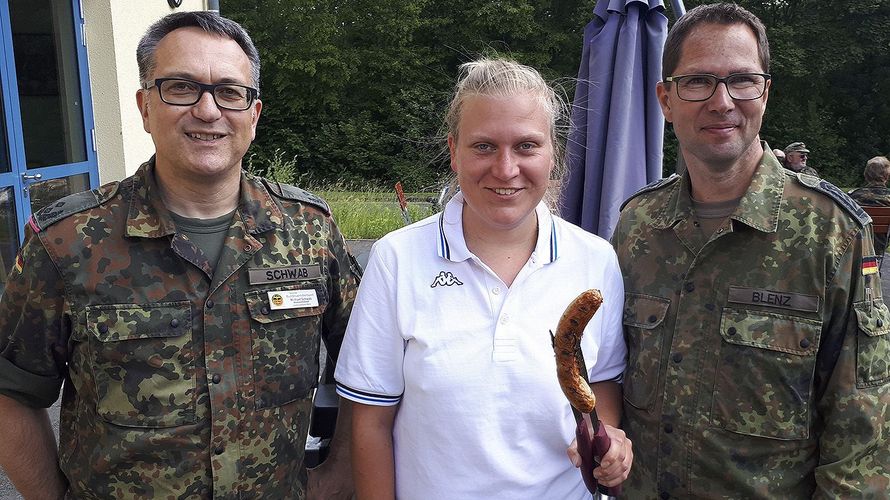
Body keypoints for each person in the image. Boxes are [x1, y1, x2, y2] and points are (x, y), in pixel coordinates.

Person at [0, 11, 359, 499]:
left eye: (230, 92)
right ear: (145, 106)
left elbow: (367, 368)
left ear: (253, 115)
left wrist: (339, 476)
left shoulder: (309, 231)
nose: (208, 111)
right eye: (182, 87)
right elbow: (11, 392)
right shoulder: (68, 240)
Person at [612, 3, 890, 498]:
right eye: (697, 81)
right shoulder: (637, 226)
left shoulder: (832, 234)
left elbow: (861, 438)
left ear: (765, 93)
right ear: (665, 99)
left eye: (742, 80)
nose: (722, 102)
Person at [335, 58, 632, 499]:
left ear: (553, 153)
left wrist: (609, 438)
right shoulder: (396, 259)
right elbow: (371, 422)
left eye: (527, 146)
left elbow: (601, 380)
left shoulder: (595, 259)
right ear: (454, 150)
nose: (506, 168)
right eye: (484, 146)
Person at [850, 155, 890, 255]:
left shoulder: (853, 196)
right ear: (886, 176)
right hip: (881, 244)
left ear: (866, 175)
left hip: (857, 244)